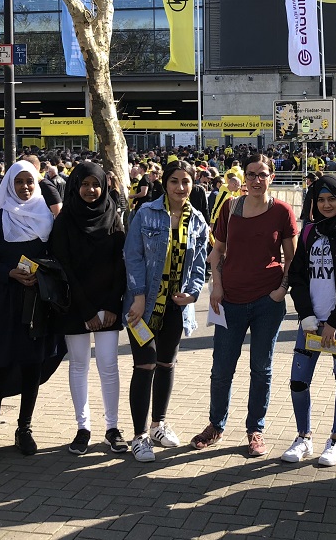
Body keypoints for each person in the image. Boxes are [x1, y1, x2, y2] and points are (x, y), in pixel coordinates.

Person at [192, 154, 297, 456]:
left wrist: (281, 289)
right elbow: (218, 250)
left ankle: (256, 429)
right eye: (250, 174)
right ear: (244, 177)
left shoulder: (281, 211)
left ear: (271, 178)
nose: (255, 180)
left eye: (262, 174)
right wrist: (217, 286)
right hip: (231, 301)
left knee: (260, 369)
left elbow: (291, 257)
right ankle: (216, 425)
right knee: (222, 368)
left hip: (267, 301)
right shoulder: (231, 207)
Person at [0, 160, 65, 462]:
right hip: (2, 300)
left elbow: (56, 257)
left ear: (37, 184)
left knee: (31, 364)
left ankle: (25, 428)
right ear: (9, 183)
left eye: (30, 182)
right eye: (19, 182)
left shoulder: (46, 219)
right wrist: (10, 272)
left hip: (36, 303)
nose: (24, 187)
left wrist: (42, 274)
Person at [123, 160, 208, 462]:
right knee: (144, 364)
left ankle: (158, 424)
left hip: (175, 306)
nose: (180, 187)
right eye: (174, 181)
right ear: (165, 183)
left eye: (186, 181)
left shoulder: (197, 219)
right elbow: (132, 256)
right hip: (143, 306)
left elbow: (199, 264)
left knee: (166, 364)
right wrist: (138, 296)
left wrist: (194, 293)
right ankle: (139, 435)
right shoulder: (145, 213)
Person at [282, 175, 336, 466]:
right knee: (298, 381)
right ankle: (303, 437)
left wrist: (333, 322)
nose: (326, 204)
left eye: (332, 198)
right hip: (311, 323)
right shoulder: (308, 232)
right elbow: (297, 276)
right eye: (320, 199)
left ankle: (335, 440)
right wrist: (306, 314)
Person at [48, 162, 128, 456]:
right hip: (75, 306)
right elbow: (64, 268)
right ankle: (83, 427)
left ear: (104, 185)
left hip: (108, 306)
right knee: (79, 366)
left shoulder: (114, 215)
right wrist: (86, 311)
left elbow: (121, 264)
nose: (91, 190)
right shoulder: (65, 219)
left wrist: (109, 306)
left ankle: (112, 428)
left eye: (96, 184)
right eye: (85, 184)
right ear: (75, 186)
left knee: (108, 365)